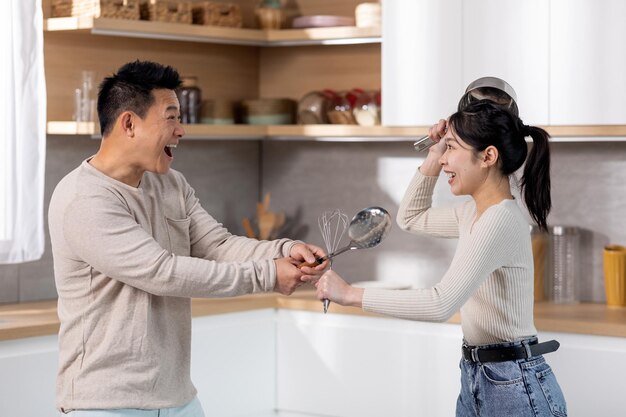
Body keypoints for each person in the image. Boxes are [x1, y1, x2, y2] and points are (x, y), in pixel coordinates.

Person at [48, 60, 327, 416]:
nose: (181, 131)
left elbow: (218, 246)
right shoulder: (83, 199)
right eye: (171, 117)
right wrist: (270, 274)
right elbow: (162, 273)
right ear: (129, 124)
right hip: (106, 403)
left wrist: (285, 249)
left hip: (177, 399)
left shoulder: (170, 183)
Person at [310, 101, 567, 416]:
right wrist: (432, 155)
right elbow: (411, 218)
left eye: (452, 148)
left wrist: (349, 294)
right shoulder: (472, 212)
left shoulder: (500, 220)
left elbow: (440, 303)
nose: (445, 159)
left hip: (513, 384)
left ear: (488, 156)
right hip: (481, 376)